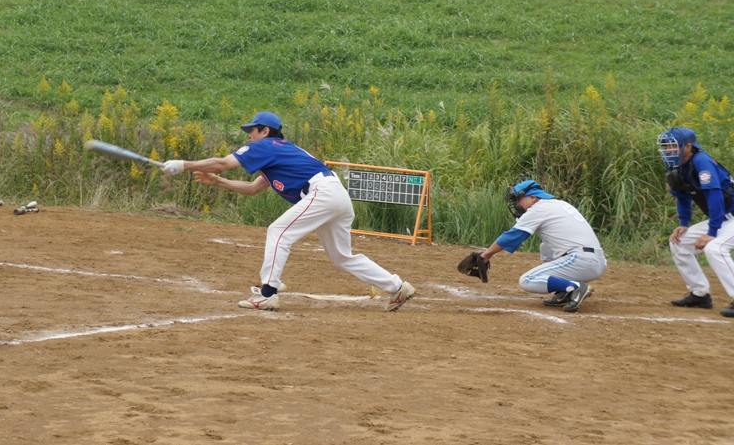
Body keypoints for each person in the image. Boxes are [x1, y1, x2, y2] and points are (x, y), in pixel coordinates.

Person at [160, 111, 415, 312]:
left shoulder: (267, 145)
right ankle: (397, 287)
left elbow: (224, 163)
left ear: (266, 131)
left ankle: (268, 294)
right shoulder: (281, 152)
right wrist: (219, 182)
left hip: (321, 193)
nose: (249, 136)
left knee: (278, 231)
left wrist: (183, 164)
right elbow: (252, 188)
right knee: (341, 258)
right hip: (335, 195)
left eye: (253, 131)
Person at [476, 179, 606, 313]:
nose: (516, 204)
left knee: (527, 280)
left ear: (533, 197)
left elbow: (513, 236)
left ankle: (575, 287)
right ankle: (564, 291)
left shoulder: (539, 208)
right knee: (545, 248)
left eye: (518, 199)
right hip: (595, 260)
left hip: (580, 260)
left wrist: (486, 254)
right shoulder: (558, 204)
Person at [657, 127, 734, 318]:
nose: (668, 151)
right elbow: (682, 196)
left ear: (688, 146)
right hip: (724, 218)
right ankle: (700, 294)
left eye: (673, 147)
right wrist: (684, 223)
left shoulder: (702, 161)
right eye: (666, 147)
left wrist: (712, 232)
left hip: (729, 217)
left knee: (714, 248)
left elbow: (714, 195)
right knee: (679, 242)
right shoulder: (678, 167)